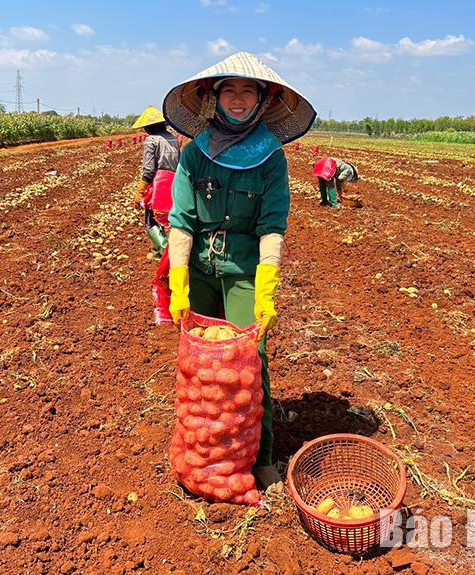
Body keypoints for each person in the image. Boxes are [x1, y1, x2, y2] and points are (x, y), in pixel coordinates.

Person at [162, 51, 316, 492]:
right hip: (200, 268)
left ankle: (259, 454)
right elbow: (182, 222)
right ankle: (204, 449)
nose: (238, 98)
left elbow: (271, 225)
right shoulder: (195, 155)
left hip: (245, 270)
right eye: (228, 89)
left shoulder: (271, 158)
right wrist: (179, 282)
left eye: (248, 90)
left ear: (263, 99)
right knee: (199, 363)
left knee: (252, 360)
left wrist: (266, 284)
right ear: (213, 97)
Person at [131, 106, 180, 260]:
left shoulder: (151, 140)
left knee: (151, 219)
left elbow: (148, 169)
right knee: (169, 218)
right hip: (175, 181)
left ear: (148, 127)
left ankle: (166, 254)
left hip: (159, 183)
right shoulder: (173, 138)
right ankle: (157, 251)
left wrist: (140, 190)